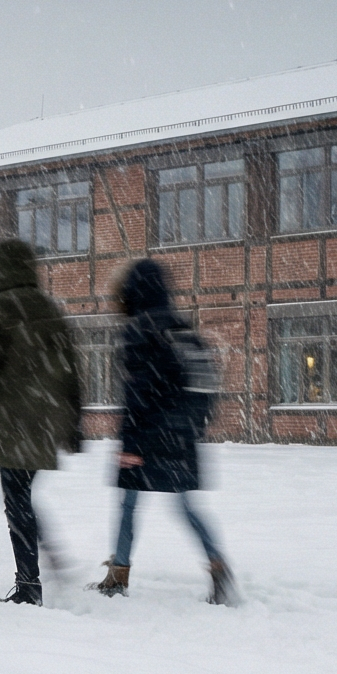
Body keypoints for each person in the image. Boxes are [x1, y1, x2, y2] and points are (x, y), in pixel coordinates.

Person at [0, 238, 84, 604]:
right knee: (19, 494)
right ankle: (42, 562)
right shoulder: (49, 309)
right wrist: (74, 425)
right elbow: (72, 371)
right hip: (45, 420)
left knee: (16, 498)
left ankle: (29, 585)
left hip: (12, 421)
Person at [97, 258, 235, 605]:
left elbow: (137, 393)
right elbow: (205, 387)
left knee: (128, 504)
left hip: (146, 436)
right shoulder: (183, 329)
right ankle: (219, 567)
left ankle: (118, 576)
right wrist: (190, 428)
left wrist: (130, 441)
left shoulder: (139, 330)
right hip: (181, 436)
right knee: (186, 507)